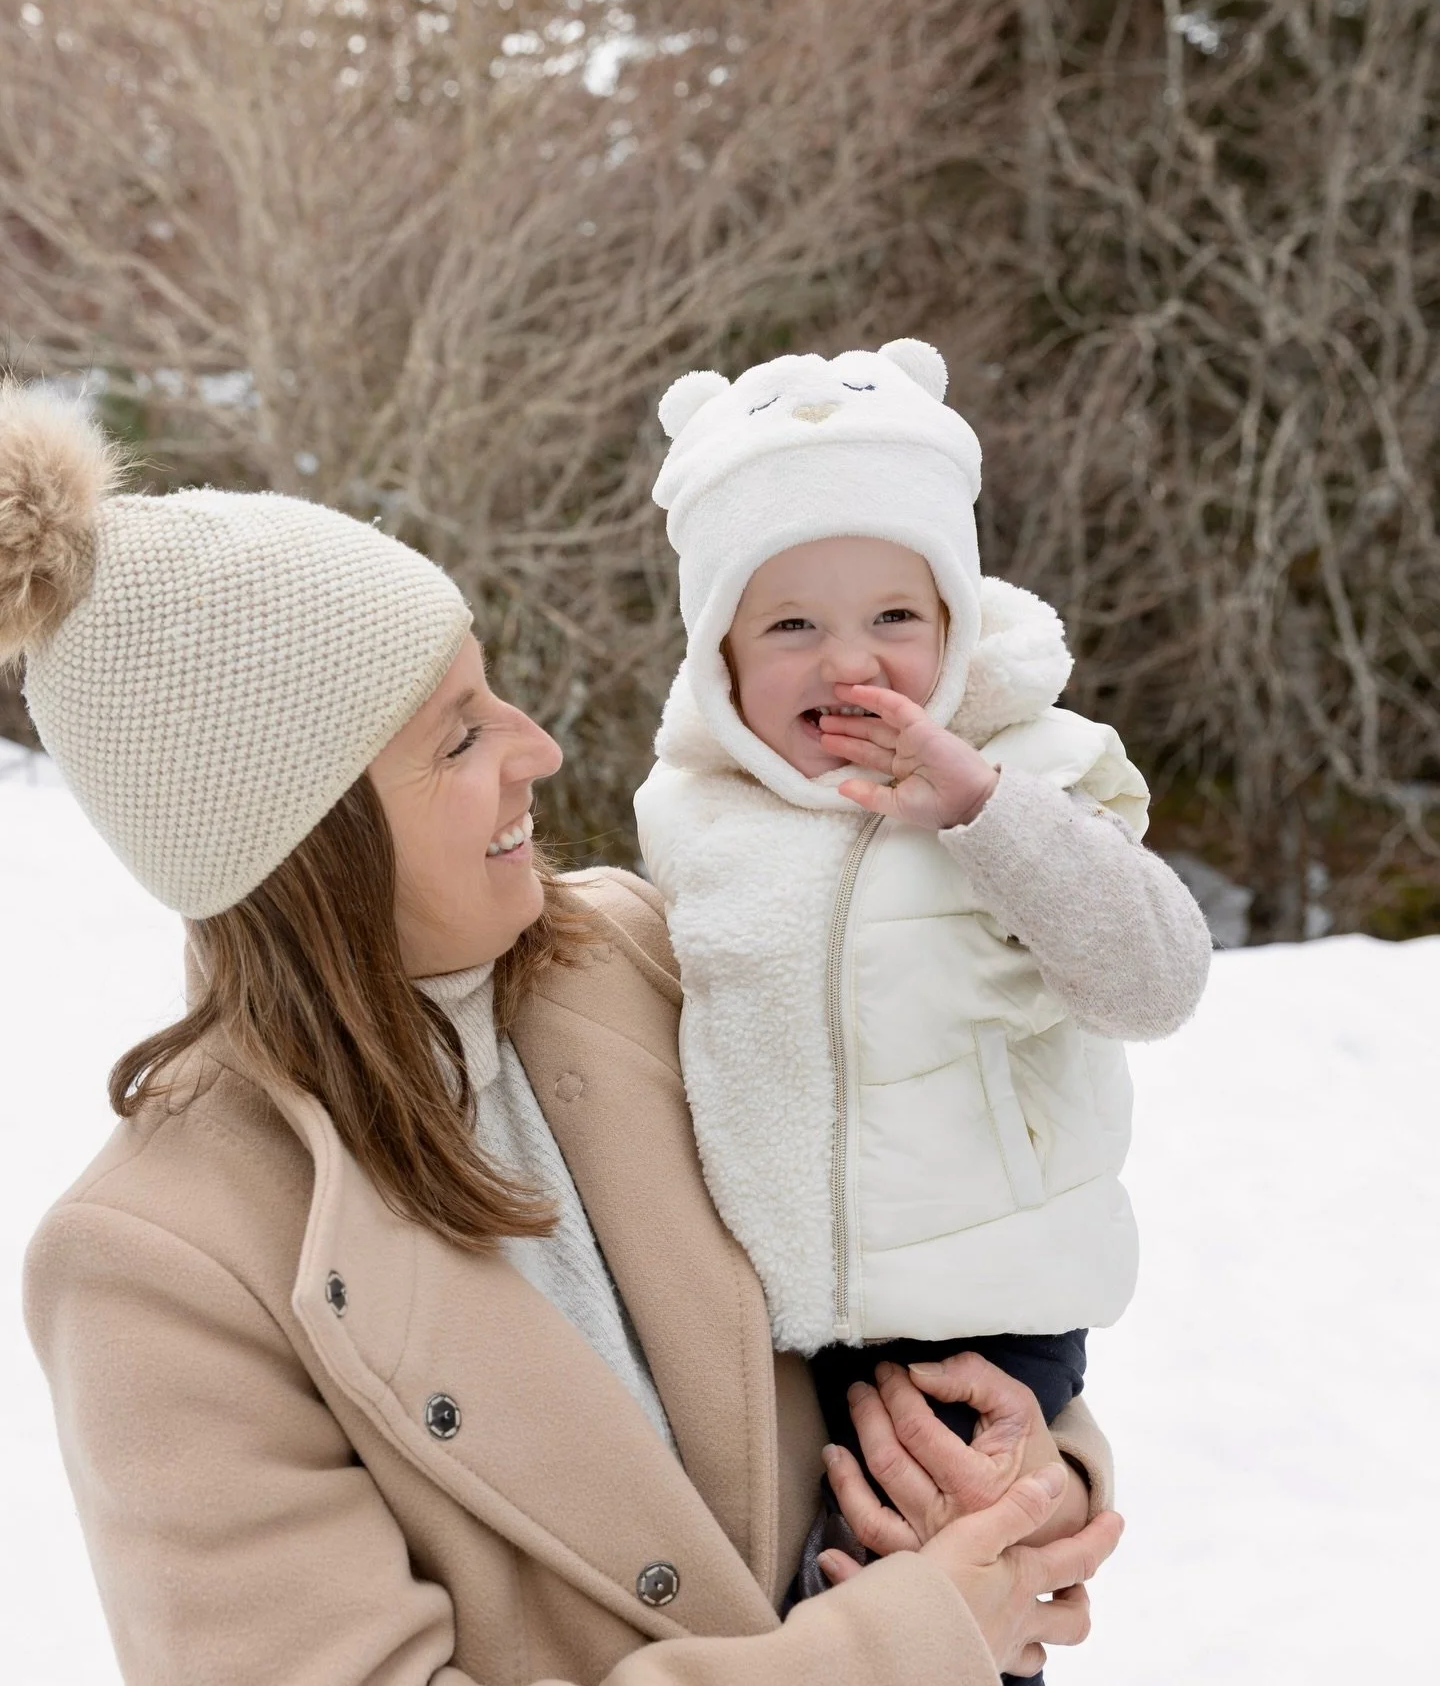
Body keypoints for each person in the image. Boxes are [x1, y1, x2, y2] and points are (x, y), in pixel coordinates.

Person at [3, 383, 1122, 1686]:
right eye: (460, 736)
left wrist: (1025, 1469)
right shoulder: (162, 1268)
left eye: (498, 696)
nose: (536, 749)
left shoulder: (649, 955)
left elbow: (935, 1258)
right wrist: (908, 1642)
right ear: (309, 844)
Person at [634, 341, 1213, 1679]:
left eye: (896, 616)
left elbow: (1156, 979)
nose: (852, 663)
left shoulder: (1035, 775)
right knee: (820, 1606)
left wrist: (982, 811)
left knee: (936, 1586)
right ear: (718, 650)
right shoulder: (694, 816)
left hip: (984, 1308)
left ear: (955, 623)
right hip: (777, 1332)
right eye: (791, 626)